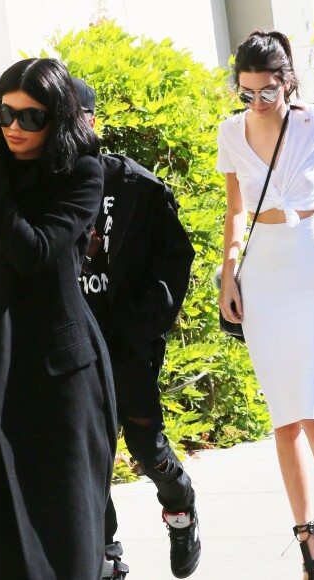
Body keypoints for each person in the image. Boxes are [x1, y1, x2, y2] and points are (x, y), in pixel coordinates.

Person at [0, 59, 117, 580]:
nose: (14, 126)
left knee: (66, 533)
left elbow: (31, 252)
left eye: (31, 118)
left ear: (58, 119)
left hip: (62, 378)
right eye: (5, 112)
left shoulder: (82, 172)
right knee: (1, 530)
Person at [217, 30, 314, 580]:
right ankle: (309, 541)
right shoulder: (231, 131)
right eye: (246, 92)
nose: (257, 101)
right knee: (283, 423)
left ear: (287, 81)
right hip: (264, 276)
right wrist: (229, 274)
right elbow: (233, 213)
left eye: (266, 91)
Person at [72, 78, 201, 579]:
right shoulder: (40, 190)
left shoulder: (136, 186)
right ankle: (107, 556)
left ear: (92, 121)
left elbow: (174, 262)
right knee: (89, 456)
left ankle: (179, 502)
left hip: (124, 346)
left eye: (74, 118)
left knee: (146, 449)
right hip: (74, 344)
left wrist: (138, 324)